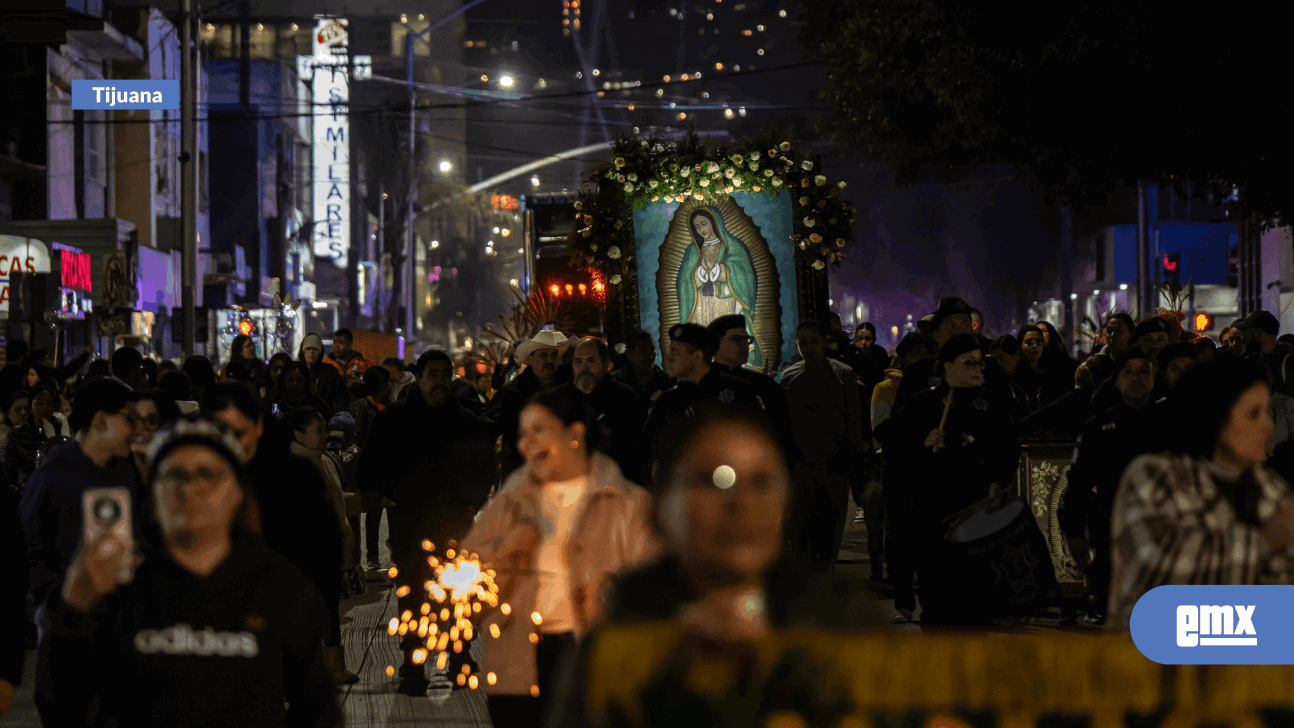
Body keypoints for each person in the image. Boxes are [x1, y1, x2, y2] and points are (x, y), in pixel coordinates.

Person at [546, 408, 865, 728]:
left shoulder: (845, 632)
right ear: (661, 507)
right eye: (714, 481)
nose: (741, 503)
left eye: (762, 482)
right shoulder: (612, 652)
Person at [43, 416, 342, 725]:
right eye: (174, 475)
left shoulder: (277, 585)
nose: (190, 488)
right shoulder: (119, 582)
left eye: (207, 474)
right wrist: (74, 607)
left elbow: (317, 706)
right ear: (154, 493)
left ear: (236, 491)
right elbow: (61, 705)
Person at [462, 387, 657, 728]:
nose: (525, 445)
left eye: (538, 432)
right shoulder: (515, 493)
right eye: (523, 435)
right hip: (518, 657)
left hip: (592, 658)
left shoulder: (628, 504)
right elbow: (473, 573)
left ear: (575, 434)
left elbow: (655, 592)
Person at [1107, 356, 1294, 630]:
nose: (1267, 425)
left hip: (1245, 662)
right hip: (1152, 660)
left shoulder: (1270, 488)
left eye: (1267, 412)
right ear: (1215, 416)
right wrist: (1264, 541)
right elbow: (1155, 569)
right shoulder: (1156, 476)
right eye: (1253, 414)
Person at [355, 349, 495, 694]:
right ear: (419, 377)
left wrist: (472, 502)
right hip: (410, 523)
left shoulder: (466, 422)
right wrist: (383, 492)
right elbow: (369, 464)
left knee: (457, 594)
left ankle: (459, 658)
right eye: (433, 374)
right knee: (414, 595)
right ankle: (414, 665)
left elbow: (485, 468)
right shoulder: (394, 420)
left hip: (454, 524)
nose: (440, 382)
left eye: (445, 375)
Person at [205, 384, 348, 691]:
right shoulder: (201, 472)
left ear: (257, 426)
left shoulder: (294, 472)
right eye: (220, 430)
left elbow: (326, 531)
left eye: (238, 430)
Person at [20, 378, 139, 726]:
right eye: (128, 419)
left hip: (116, 620)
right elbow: (27, 545)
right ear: (101, 420)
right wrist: (51, 596)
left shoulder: (126, 472)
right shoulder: (54, 473)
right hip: (64, 616)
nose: (135, 429)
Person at [877, 334, 1020, 624]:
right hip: (933, 512)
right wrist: (922, 439)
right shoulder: (924, 403)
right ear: (947, 367)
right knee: (938, 598)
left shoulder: (989, 404)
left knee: (976, 596)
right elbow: (888, 434)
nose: (977, 370)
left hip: (977, 507)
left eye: (980, 364)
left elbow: (1008, 446)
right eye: (968, 363)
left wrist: (999, 480)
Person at [1062, 347, 1168, 623]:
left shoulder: (1170, 423)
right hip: (1114, 525)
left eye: (1143, 372)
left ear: (1154, 377)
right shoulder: (1099, 426)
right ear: (1117, 380)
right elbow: (1079, 481)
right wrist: (1074, 530)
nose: (1136, 379)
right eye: (1128, 373)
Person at [780, 321, 867, 567]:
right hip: (802, 463)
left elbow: (853, 418)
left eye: (813, 341)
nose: (808, 347)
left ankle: (825, 575)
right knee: (802, 526)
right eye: (802, 343)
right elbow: (784, 421)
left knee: (832, 523)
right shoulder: (790, 377)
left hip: (835, 462)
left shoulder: (843, 374)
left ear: (824, 342)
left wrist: (852, 453)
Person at [286, 406, 360, 685]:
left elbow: (337, 502)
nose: (326, 435)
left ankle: (333, 665)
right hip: (306, 552)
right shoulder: (292, 465)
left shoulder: (323, 460)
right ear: (298, 434)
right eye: (318, 430)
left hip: (328, 550)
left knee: (329, 610)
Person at [642, 324, 763, 491]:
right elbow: (647, 451)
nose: (668, 358)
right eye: (669, 351)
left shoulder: (740, 393)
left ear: (697, 357)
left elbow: (762, 445)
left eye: (675, 352)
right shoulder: (667, 401)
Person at [486, 330, 573, 480]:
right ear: (531, 359)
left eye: (553, 355)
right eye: (543, 356)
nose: (549, 361)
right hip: (522, 479)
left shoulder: (567, 389)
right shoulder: (511, 393)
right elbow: (488, 429)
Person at [708, 314, 795, 463]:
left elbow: (783, 437)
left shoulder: (765, 386)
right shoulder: (700, 384)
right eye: (736, 339)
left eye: (747, 340)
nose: (744, 345)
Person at [560, 337, 647, 482]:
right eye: (578, 361)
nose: (584, 367)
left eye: (591, 361)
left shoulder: (625, 398)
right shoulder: (558, 399)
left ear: (606, 364)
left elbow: (638, 450)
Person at [1234, 310, 1294, 396]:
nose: (1242, 337)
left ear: (1259, 333)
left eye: (1246, 331)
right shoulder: (1249, 360)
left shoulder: (1288, 361)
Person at [611, 330, 672, 408]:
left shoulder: (665, 381)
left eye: (652, 350)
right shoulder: (615, 382)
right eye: (643, 352)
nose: (650, 356)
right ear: (629, 354)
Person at [270, 361, 331, 425]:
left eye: (299, 380)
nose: (295, 384)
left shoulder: (318, 404)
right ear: (283, 380)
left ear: (306, 382)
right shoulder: (274, 402)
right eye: (290, 379)